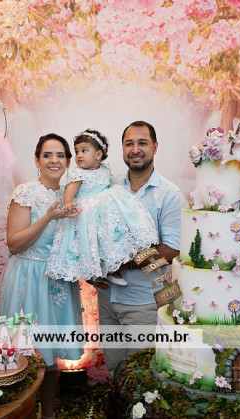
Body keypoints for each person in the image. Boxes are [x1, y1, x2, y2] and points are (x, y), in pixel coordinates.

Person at [0, 133, 83, 419]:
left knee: (50, 356)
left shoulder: (73, 196)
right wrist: (48, 217)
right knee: (24, 352)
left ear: (68, 161)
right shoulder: (26, 192)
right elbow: (14, 243)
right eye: (47, 155)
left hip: (59, 282)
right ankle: (18, 413)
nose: (54, 161)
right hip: (29, 278)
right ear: (37, 160)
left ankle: (48, 415)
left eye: (60, 155)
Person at [96, 121, 188, 375]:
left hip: (143, 302)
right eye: (129, 144)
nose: (135, 149)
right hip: (107, 298)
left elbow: (172, 250)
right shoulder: (110, 187)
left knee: (141, 374)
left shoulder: (169, 194)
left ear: (155, 147)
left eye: (142, 143)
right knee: (115, 369)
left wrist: (122, 262)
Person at [45, 129, 158, 285]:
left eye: (84, 151)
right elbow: (70, 190)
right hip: (87, 213)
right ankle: (95, 273)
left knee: (112, 238)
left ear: (98, 155)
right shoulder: (78, 173)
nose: (79, 155)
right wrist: (68, 203)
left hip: (104, 211)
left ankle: (114, 268)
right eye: (77, 151)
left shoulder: (105, 169)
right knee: (91, 243)